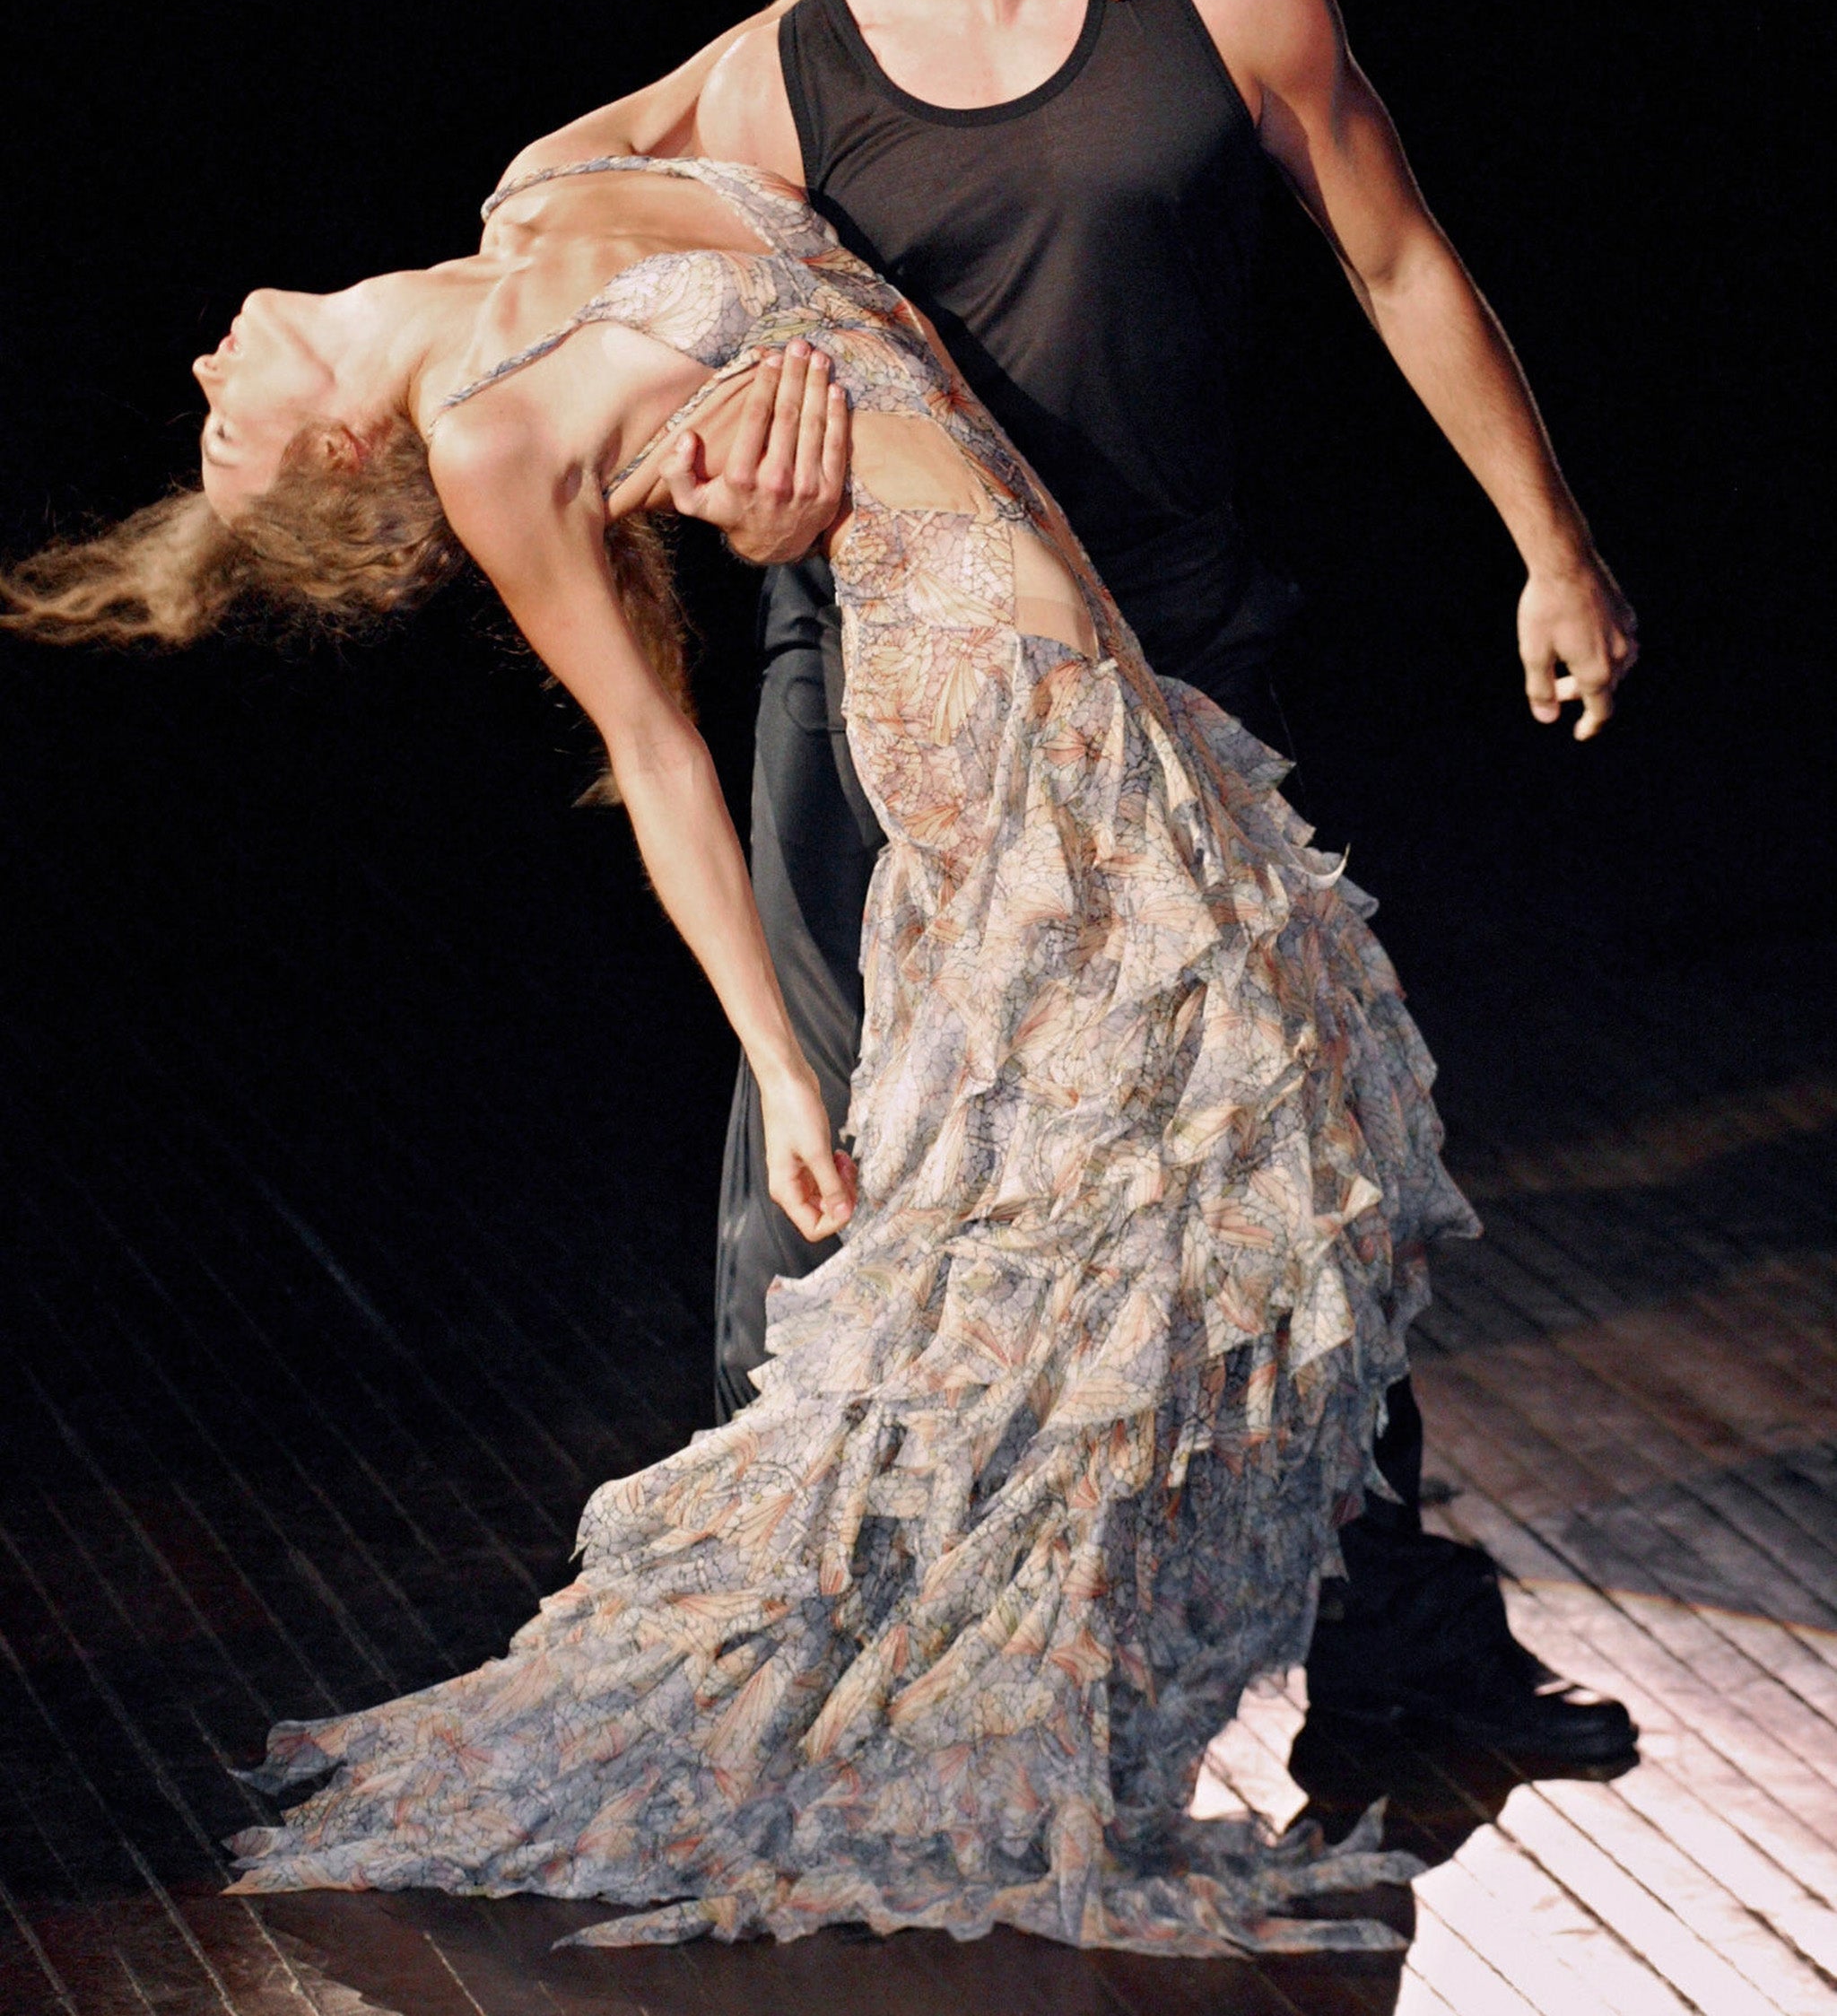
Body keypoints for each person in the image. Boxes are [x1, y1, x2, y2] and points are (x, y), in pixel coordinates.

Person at [7, 100, 1471, 1948]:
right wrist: (782, 1053)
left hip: (1098, 670)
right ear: (342, 446)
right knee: (1185, 1173)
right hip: (976, 715)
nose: (206, 366)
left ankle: (1043, 1656)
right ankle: (967, 1680)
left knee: (1252, 1138)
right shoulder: (489, 431)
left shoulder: (547, 169)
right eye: (231, 427)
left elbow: (799, 23)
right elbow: (656, 755)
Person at [556, 0, 1638, 1765]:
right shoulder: (785, 67)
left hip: (1179, 674)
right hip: (883, 707)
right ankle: (777, 1668)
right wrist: (719, 463)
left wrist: (1553, 546)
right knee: (838, 1168)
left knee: (1275, 1155)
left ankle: (1392, 1644)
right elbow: (546, 208)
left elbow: (1399, 256)